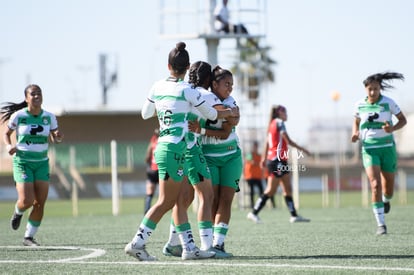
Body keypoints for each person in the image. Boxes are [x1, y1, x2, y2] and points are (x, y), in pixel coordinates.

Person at [124, 42, 236, 261]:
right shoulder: (187, 90)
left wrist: (167, 109)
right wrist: (230, 112)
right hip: (176, 149)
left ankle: (188, 247)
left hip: (168, 146)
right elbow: (212, 115)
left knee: (178, 200)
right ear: (186, 69)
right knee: (168, 201)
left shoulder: (157, 87)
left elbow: (146, 113)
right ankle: (137, 243)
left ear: (168, 66)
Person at [163, 61, 233, 259]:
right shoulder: (206, 95)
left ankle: (173, 243)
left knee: (183, 199)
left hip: (176, 149)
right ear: (209, 79)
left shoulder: (182, 91)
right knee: (207, 196)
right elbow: (228, 116)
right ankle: (206, 246)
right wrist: (232, 112)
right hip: (192, 148)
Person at [1, 84, 64, 246]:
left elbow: (54, 136)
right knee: (27, 200)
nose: (37, 96)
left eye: (39, 93)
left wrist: (57, 136)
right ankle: (18, 212)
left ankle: (28, 237)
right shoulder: (19, 116)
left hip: (42, 163)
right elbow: (6, 134)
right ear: (26, 98)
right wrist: (8, 146)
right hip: (23, 162)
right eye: (33, 94)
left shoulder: (49, 117)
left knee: (40, 203)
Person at [190, 65, 242, 258]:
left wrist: (202, 130)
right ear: (214, 84)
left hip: (231, 156)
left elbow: (229, 129)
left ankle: (219, 244)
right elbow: (231, 115)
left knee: (226, 200)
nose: (230, 88)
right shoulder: (202, 98)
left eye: (232, 84)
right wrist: (228, 112)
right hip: (209, 156)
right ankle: (209, 243)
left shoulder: (230, 100)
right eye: (226, 84)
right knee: (211, 200)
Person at [351, 72, 407, 235]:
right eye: (370, 89)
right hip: (369, 149)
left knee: (388, 188)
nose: (373, 92)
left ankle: (386, 200)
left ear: (380, 88)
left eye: (376, 89)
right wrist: (355, 133)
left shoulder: (389, 103)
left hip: (387, 149)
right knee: (375, 185)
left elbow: (403, 120)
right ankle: (381, 224)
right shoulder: (359, 105)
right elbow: (356, 120)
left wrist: (392, 128)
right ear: (365, 89)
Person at [247, 105, 311, 224]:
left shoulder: (271, 124)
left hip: (278, 160)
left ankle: (294, 215)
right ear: (279, 113)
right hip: (277, 161)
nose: (286, 114)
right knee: (271, 190)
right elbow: (288, 141)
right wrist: (304, 149)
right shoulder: (279, 122)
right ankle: (253, 213)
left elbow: (267, 143)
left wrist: (263, 158)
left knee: (287, 188)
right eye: (284, 112)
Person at [144, 128, 159, 214]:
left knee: (149, 194)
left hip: (152, 171)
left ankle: (146, 213)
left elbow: (147, 158)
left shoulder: (152, 143)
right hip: (161, 170)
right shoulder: (164, 143)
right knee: (165, 196)